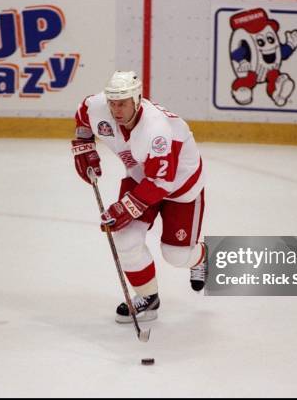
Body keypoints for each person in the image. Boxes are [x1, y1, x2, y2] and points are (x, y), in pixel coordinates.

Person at [71, 70, 207, 323]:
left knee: (175, 255)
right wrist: (84, 146)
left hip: (181, 188)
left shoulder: (156, 131)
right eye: (112, 102)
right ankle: (148, 298)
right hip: (141, 176)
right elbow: (83, 115)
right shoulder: (99, 107)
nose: (116, 110)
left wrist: (124, 209)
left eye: (122, 103)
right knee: (125, 239)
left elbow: (161, 183)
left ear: (137, 99)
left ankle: (201, 256)